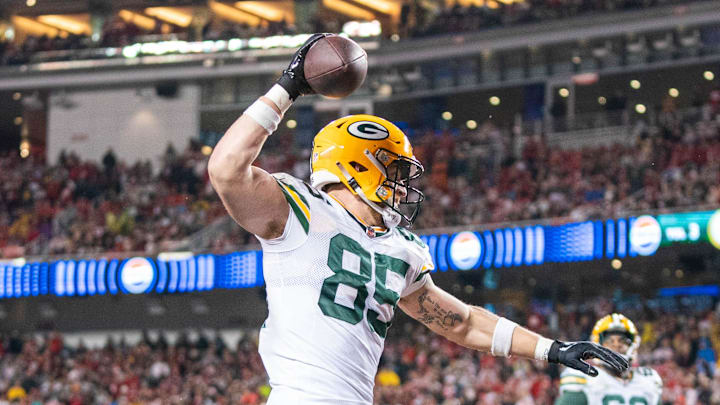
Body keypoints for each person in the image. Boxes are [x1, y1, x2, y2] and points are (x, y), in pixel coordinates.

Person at [208, 33, 628, 405]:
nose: (402, 186)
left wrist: (551, 350)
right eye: (393, 171)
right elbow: (226, 168)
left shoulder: (399, 247)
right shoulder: (296, 212)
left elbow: (462, 322)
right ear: (357, 165)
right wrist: (288, 87)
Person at [555, 313, 663, 405]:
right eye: (610, 341)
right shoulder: (585, 378)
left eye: (622, 341)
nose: (616, 345)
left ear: (633, 345)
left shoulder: (648, 379)